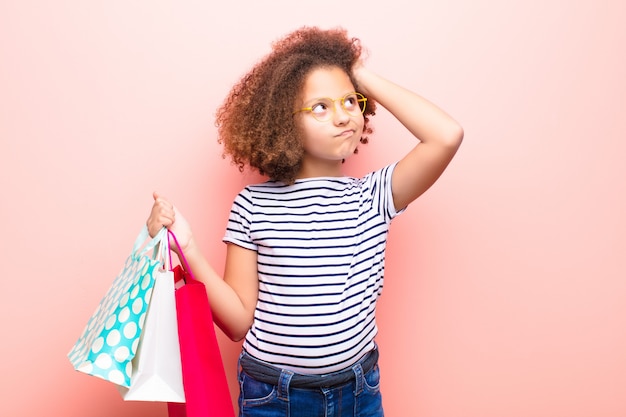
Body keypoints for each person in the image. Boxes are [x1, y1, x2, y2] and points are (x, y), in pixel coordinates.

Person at [147, 26, 463, 417]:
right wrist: (187, 245)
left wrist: (357, 73)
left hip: (358, 392)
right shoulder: (253, 205)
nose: (343, 115)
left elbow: (446, 136)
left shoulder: (374, 195)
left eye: (350, 101)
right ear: (283, 122)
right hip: (272, 396)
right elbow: (237, 322)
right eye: (321, 106)